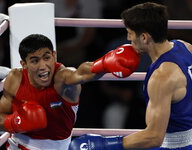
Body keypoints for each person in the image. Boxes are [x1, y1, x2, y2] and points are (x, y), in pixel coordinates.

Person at [68, 2, 192, 150]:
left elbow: (153, 137)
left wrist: (105, 145)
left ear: (144, 37)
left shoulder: (162, 77)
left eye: (130, 33)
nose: (128, 38)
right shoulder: (184, 46)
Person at [0, 34, 140, 150]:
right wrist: (16, 122)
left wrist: (103, 64)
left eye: (47, 57)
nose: (43, 66)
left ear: (54, 55)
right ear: (24, 64)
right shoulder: (15, 78)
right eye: (35, 61)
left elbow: (80, 73)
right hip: (15, 145)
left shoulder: (62, 78)